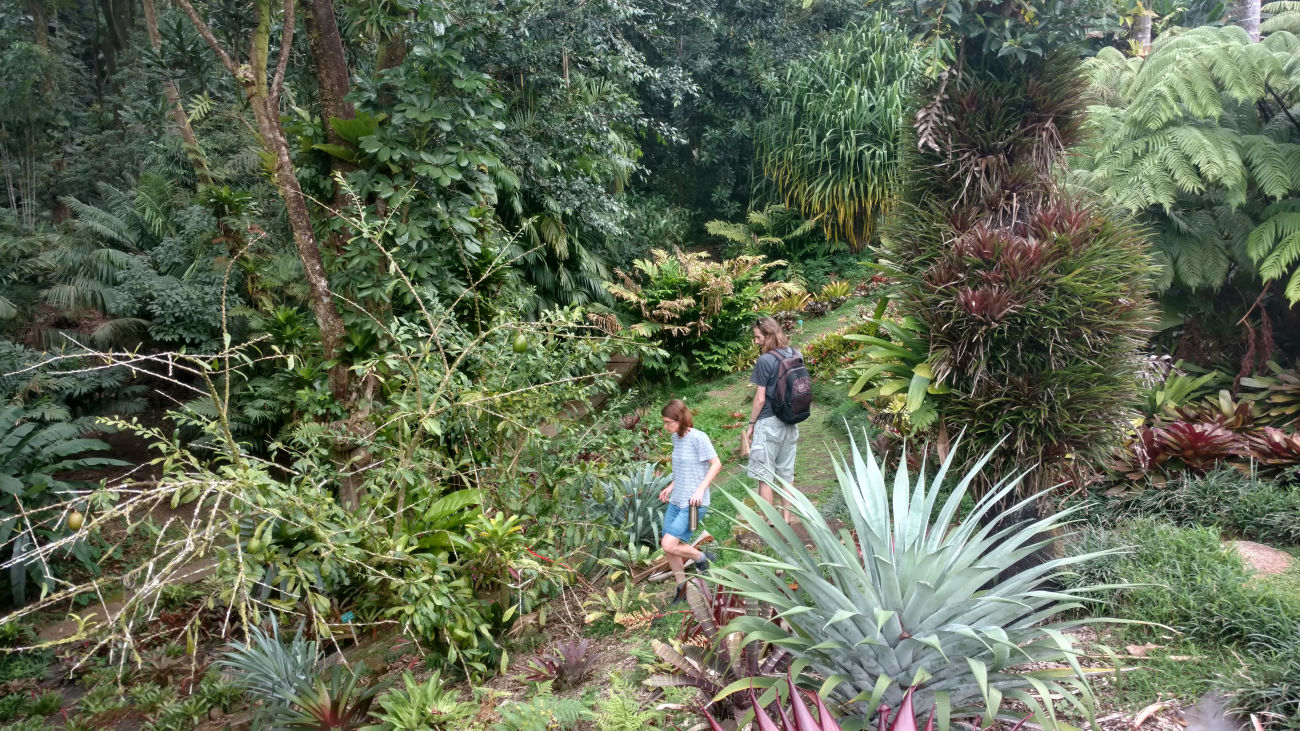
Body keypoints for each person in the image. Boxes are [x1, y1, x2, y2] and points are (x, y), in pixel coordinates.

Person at [657, 399, 721, 603]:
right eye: (665, 422)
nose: (666, 426)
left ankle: (702, 558)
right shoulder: (676, 438)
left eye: (668, 422)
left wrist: (700, 490)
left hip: (694, 505)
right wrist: (671, 486)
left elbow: (716, 464)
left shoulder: (698, 438)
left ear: (680, 419)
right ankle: (682, 589)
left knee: (669, 544)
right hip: (676, 501)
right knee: (668, 547)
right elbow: (685, 470)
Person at [744, 316, 800, 524]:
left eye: (758, 337)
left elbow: (759, 399)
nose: (756, 341)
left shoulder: (764, 360)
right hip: (791, 421)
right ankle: (786, 518)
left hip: (768, 423)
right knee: (787, 474)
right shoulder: (796, 353)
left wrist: (751, 425)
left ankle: (771, 523)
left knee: (764, 475)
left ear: (768, 335)